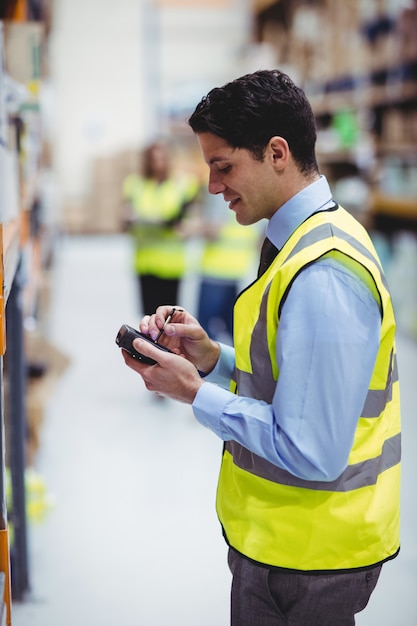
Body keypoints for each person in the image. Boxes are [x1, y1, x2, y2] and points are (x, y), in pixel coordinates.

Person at [121, 70, 401, 626]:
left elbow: (313, 450)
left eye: (223, 166)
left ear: (277, 152)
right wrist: (211, 358)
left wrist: (195, 394)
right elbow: (289, 380)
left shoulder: (323, 274)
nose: (211, 186)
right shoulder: (305, 234)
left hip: (312, 556)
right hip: (283, 543)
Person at [122, 140, 200, 315]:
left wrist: (184, 228)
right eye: (153, 159)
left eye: (162, 159)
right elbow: (124, 220)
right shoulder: (134, 185)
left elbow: (189, 221)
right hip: (145, 262)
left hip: (170, 264)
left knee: (169, 320)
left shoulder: (183, 185)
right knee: (148, 318)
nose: (158, 164)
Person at [197, 191, 262, 345]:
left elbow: (214, 230)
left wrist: (193, 227)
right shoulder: (255, 195)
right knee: (235, 331)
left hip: (216, 271)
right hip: (240, 273)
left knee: (203, 333)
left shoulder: (220, 194)